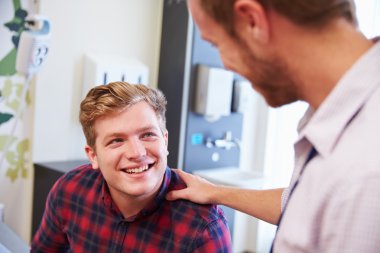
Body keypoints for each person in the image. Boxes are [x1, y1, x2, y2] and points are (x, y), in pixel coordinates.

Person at [167, 0, 380, 252]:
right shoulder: (337, 116)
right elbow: (302, 205)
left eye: (216, 44)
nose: (226, 65)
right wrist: (215, 192)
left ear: (252, 21)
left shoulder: (365, 171)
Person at [31, 82, 231, 253]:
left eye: (147, 135)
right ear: (94, 156)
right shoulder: (70, 191)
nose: (137, 153)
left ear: (165, 141)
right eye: (117, 140)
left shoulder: (203, 228)